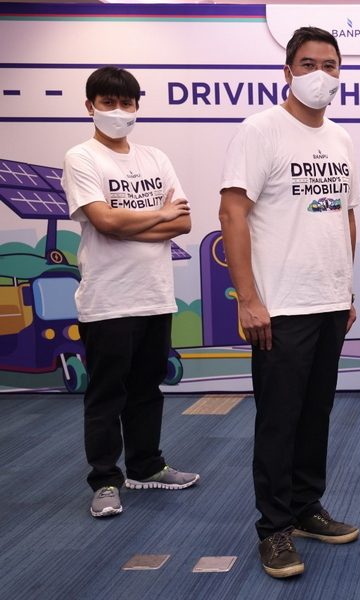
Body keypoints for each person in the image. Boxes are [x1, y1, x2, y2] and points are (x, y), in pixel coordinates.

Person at [218, 27, 360, 579]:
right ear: (287, 71)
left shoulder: (342, 139)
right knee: (279, 420)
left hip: (329, 301)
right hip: (279, 305)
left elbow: (345, 217)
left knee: (315, 413)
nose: (319, 75)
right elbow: (232, 213)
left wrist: (346, 289)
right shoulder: (260, 130)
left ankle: (306, 507)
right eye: (308, 64)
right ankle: (274, 528)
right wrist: (248, 299)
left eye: (330, 65)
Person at [61, 66, 199, 520]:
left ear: (137, 106)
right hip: (108, 300)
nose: (118, 111)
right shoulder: (82, 158)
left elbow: (184, 222)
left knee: (147, 387)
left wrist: (132, 223)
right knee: (107, 394)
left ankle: (146, 465)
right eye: (108, 103)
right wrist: (157, 214)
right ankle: (105, 481)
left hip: (155, 295)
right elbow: (104, 221)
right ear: (90, 106)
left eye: (126, 103)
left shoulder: (155, 158)